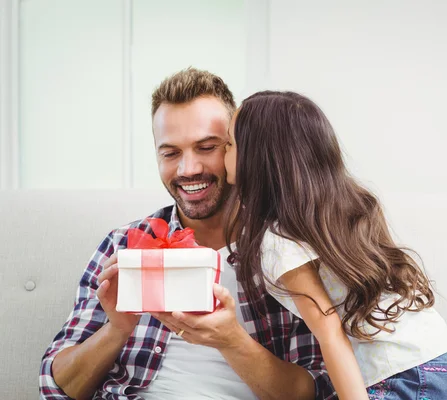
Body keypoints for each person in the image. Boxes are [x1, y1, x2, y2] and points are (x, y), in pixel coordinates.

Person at [39, 70, 335, 400]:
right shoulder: (125, 243)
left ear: (238, 148)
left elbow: (319, 390)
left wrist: (231, 340)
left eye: (206, 147)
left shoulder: (286, 253)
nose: (188, 169)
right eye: (170, 153)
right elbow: (56, 389)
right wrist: (117, 330)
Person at [223, 91, 447, 400]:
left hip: (400, 375)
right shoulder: (345, 205)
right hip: (446, 360)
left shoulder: (279, 241)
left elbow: (329, 333)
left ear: (257, 157)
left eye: (230, 143)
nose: (223, 154)